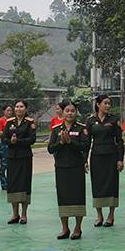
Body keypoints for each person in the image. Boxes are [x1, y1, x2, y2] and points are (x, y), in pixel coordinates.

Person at [48, 101, 91, 240]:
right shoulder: (56, 129)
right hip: (61, 167)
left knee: (78, 196)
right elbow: (50, 148)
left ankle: (78, 228)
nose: (70, 113)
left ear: (76, 112)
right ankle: (65, 228)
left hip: (76, 167)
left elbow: (85, 146)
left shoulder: (82, 129)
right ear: (62, 112)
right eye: (67, 110)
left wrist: (70, 142)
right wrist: (61, 143)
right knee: (63, 197)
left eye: (72, 110)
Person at [86, 95, 124, 227]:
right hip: (96, 156)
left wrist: (120, 159)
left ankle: (111, 215)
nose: (107, 106)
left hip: (111, 156)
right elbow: (86, 142)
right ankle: (99, 215)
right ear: (98, 104)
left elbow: (119, 140)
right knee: (97, 185)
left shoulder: (113, 120)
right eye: (105, 103)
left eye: (109, 103)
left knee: (112, 185)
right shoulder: (91, 121)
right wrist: (84, 159)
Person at [5, 100, 37, 224]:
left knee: (24, 184)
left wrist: (18, 141)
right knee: (12, 184)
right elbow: (4, 139)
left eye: (21, 107)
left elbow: (32, 139)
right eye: (17, 107)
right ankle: (15, 214)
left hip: (24, 157)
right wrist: (11, 142)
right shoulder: (10, 123)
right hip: (12, 157)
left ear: (26, 109)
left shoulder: (30, 123)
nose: (18, 109)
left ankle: (24, 214)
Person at [0, 104, 13, 191]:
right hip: (4, 144)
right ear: (4, 111)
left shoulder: (13, 120)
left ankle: (10, 182)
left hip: (11, 143)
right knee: (3, 165)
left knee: (11, 165)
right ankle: (3, 183)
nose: (9, 112)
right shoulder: (1, 120)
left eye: (10, 111)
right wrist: (7, 132)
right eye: (7, 111)